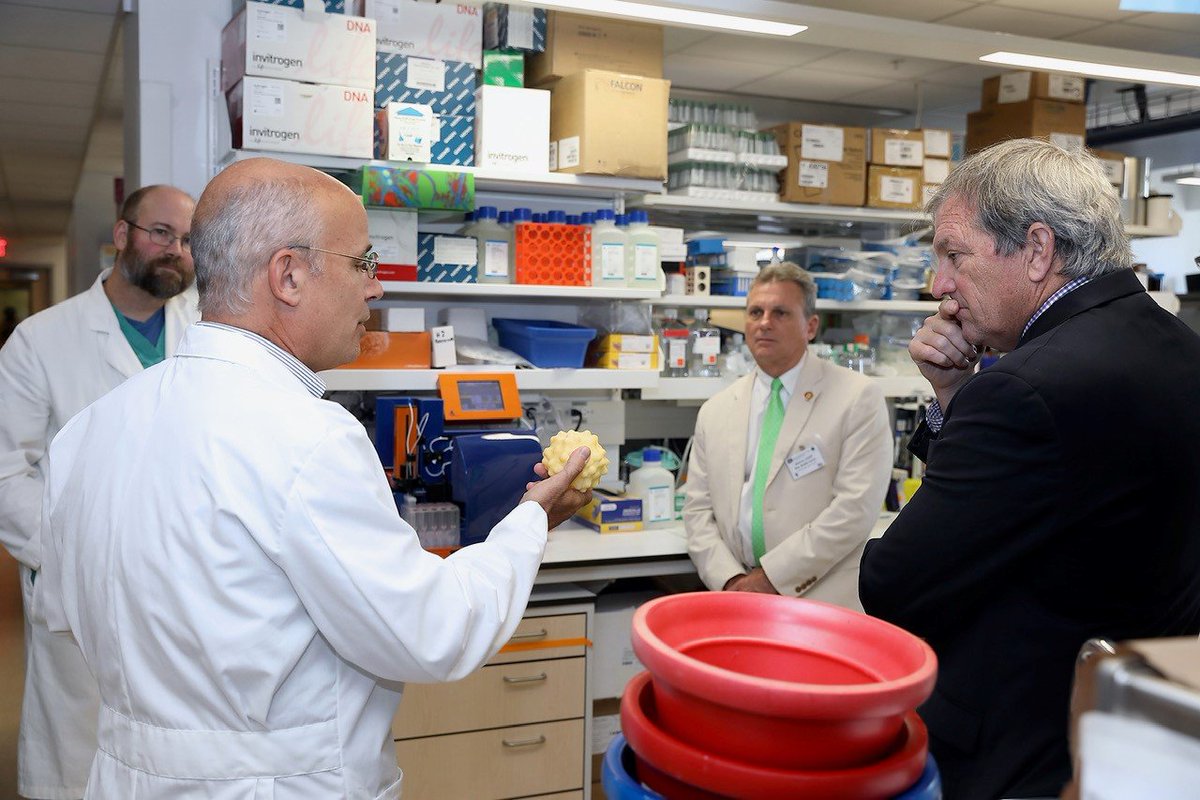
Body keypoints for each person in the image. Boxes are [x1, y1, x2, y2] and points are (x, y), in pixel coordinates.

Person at [34, 157, 593, 799]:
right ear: (289, 275)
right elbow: (434, 632)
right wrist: (530, 521)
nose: (375, 289)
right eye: (362, 264)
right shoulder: (305, 434)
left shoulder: (90, 428)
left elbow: (72, 617)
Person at [859, 139, 1200, 799]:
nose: (940, 285)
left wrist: (958, 405)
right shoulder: (1180, 349)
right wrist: (959, 400)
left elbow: (896, 582)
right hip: (1151, 737)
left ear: (1038, 250)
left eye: (953, 254)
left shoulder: (1022, 390)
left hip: (1025, 753)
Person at [0, 184, 198, 800]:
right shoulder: (41, 340)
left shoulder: (208, 335)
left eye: (189, 240)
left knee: (174, 754)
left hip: (186, 581)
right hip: (79, 582)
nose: (175, 250)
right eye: (160, 232)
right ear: (121, 234)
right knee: (80, 754)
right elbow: (5, 472)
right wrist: (68, 555)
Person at [683, 262, 892, 605]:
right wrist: (731, 580)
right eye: (755, 312)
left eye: (780, 312)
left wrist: (770, 579)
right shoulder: (716, 410)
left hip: (819, 597)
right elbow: (696, 510)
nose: (764, 322)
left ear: (810, 326)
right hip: (735, 596)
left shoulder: (857, 397)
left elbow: (854, 510)